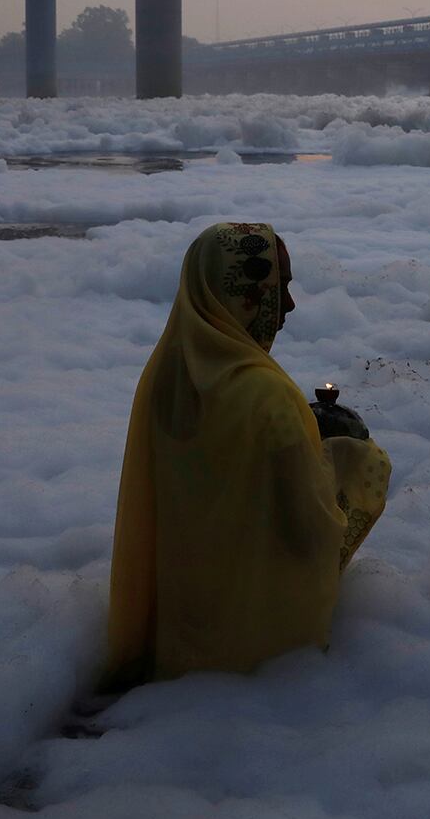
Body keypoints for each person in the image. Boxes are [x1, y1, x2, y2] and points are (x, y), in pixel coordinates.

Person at [104, 222, 391, 687]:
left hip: (174, 638)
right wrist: (353, 461)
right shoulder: (267, 396)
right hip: (254, 657)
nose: (290, 306)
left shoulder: (166, 378)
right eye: (281, 288)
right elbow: (307, 536)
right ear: (244, 293)